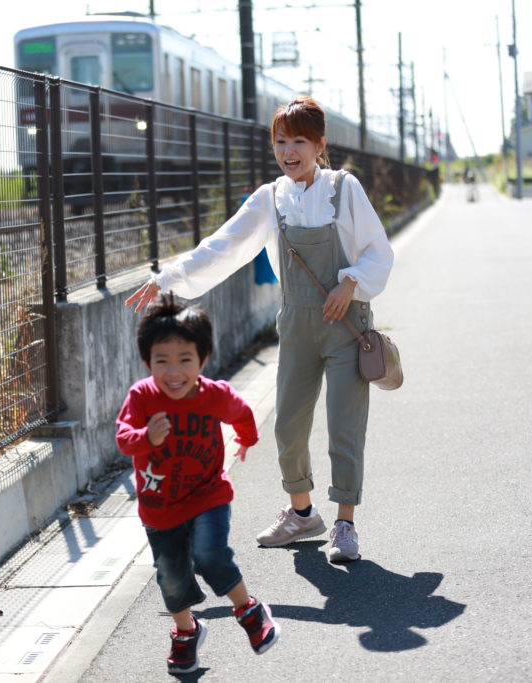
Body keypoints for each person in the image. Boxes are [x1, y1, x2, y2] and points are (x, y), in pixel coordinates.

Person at [126, 95, 394, 565]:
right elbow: (224, 245)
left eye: (299, 142)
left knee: (344, 427)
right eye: (280, 142)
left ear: (319, 145)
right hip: (295, 325)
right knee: (288, 426)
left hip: (345, 324)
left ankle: (345, 524)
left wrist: (350, 282)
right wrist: (166, 278)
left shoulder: (344, 189)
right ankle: (302, 513)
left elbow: (378, 251)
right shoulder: (272, 197)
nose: (288, 151)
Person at [116, 294, 279, 675]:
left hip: (208, 494)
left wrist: (247, 438)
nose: (174, 371)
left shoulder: (214, 395)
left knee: (210, 556)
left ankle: (249, 611)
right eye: (162, 361)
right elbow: (124, 438)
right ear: (147, 362)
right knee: (171, 578)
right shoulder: (142, 397)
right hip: (160, 508)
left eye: (185, 360)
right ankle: (187, 632)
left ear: (202, 360)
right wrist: (146, 438)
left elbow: (241, 412)